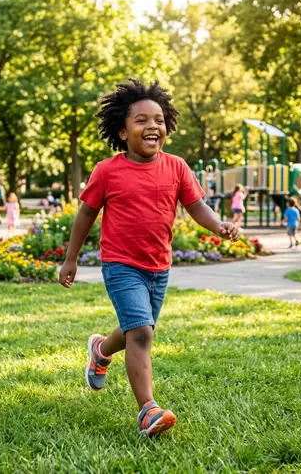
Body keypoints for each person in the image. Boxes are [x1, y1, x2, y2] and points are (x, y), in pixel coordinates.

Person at [58, 79, 240, 438]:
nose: (152, 126)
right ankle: (148, 410)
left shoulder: (176, 167)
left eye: (158, 119)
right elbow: (85, 215)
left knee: (134, 331)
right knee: (141, 332)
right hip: (120, 263)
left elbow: (196, 206)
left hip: (159, 266)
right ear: (123, 133)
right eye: (140, 120)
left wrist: (218, 225)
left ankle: (100, 349)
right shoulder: (107, 171)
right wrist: (71, 259)